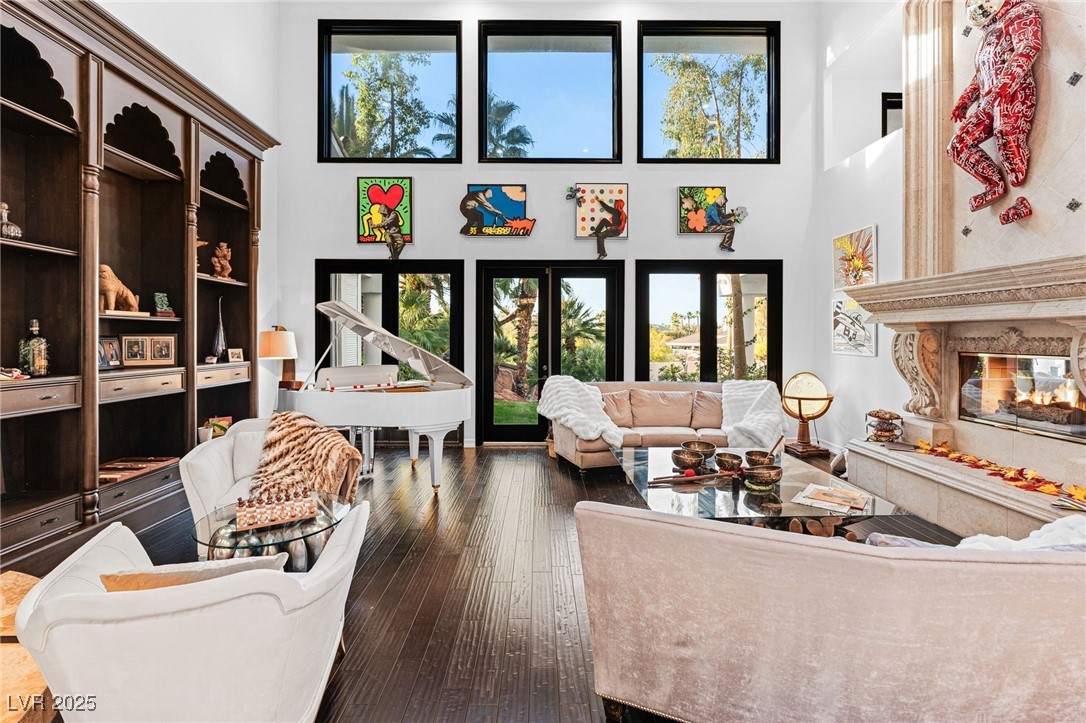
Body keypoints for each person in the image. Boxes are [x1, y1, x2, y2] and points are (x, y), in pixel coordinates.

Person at [947, 0, 1041, 225]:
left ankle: (1015, 156)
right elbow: (981, 73)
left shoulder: (1021, 11)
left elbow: (1029, 46)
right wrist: (965, 100)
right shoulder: (987, 35)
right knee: (957, 146)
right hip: (988, 100)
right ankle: (994, 184)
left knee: (1007, 137)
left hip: (1014, 91)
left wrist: (1006, 82)